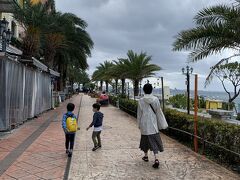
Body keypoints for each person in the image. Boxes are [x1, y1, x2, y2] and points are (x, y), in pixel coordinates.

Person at [137, 83, 168, 168]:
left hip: (144, 123)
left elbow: (139, 114)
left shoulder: (141, 100)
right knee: (154, 141)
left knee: (145, 140)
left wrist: (139, 123)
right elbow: (158, 111)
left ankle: (146, 156)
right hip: (153, 123)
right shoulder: (156, 99)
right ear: (151, 90)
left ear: (144, 90)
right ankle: (156, 158)